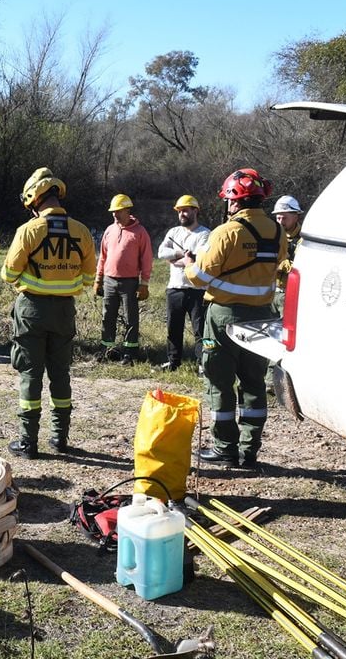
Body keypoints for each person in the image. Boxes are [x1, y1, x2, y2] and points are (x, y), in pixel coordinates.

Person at [182, 168, 287, 468]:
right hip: (262, 319)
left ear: (235, 201)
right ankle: (249, 450)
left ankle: (224, 448)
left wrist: (191, 264)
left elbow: (200, 278)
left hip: (224, 318)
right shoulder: (277, 231)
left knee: (220, 383)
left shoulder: (226, 232)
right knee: (254, 383)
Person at [2, 168, 96, 458]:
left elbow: (8, 273)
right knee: (61, 373)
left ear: (34, 199)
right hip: (65, 311)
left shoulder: (29, 231)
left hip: (32, 310)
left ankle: (28, 443)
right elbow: (89, 278)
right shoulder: (81, 231)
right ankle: (60, 438)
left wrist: (33, 281)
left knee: (31, 373)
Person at [94, 194, 152, 365]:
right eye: (113, 212)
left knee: (130, 318)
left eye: (118, 211)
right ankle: (107, 350)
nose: (115, 215)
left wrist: (144, 283)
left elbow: (147, 259)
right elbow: (103, 257)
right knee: (108, 316)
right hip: (109, 281)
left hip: (130, 282)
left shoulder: (140, 232)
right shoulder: (110, 230)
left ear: (128, 210)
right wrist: (98, 279)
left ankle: (130, 353)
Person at [156, 195, 211, 371]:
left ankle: (204, 365)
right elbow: (161, 253)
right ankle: (173, 362)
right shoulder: (173, 233)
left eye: (186, 210)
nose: (182, 214)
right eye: (179, 211)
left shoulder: (205, 234)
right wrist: (181, 254)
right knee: (173, 329)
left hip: (197, 290)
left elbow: (199, 258)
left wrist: (177, 260)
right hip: (175, 289)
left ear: (196, 211)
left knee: (201, 330)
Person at [272, 195, 303, 316]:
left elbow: (301, 268)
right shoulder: (272, 235)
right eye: (278, 218)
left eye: (284, 218)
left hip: (288, 295)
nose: (280, 222)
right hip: (269, 294)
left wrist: (279, 263)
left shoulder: (304, 240)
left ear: (296, 217)